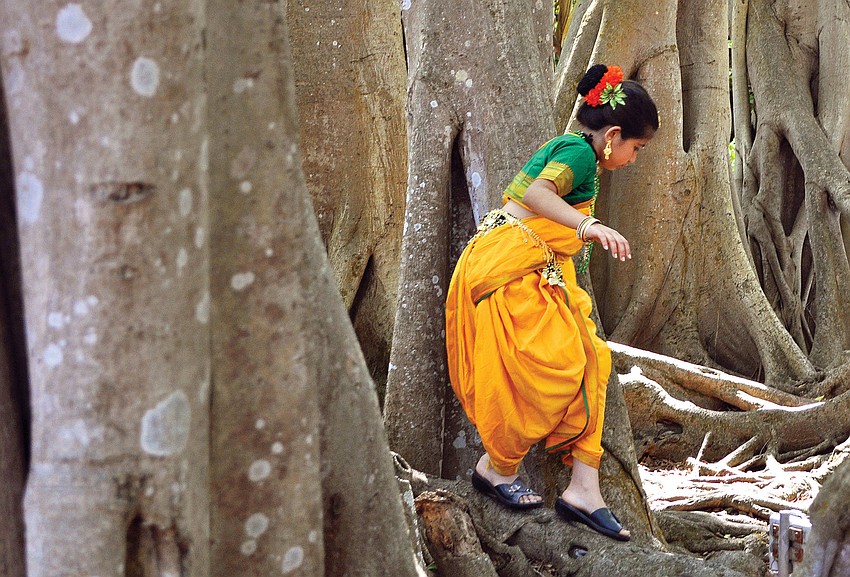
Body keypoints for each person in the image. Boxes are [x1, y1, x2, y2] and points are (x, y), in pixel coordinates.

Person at [445, 64, 658, 542]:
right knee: (551, 369)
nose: (634, 159)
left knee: (590, 360)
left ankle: (584, 489)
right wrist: (588, 227)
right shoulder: (578, 153)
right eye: (636, 149)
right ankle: (495, 467)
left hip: (527, 271)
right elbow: (540, 194)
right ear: (614, 135)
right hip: (507, 271)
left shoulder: (579, 154)